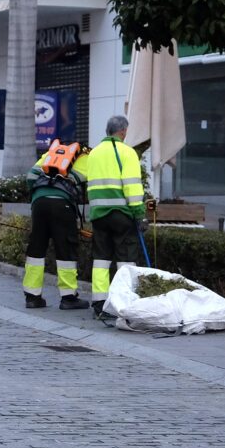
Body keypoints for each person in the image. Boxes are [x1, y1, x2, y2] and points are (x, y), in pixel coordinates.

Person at [85, 115, 147, 316]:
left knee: (101, 259)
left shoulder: (93, 154)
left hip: (99, 215)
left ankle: (99, 302)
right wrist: (139, 213)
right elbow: (132, 187)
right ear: (122, 132)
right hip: (121, 214)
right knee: (126, 259)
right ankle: (124, 301)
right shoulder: (127, 152)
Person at [22, 140, 90, 310]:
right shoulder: (86, 158)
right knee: (65, 248)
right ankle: (68, 298)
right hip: (62, 205)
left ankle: (32, 297)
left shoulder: (49, 155)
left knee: (36, 248)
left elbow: (30, 177)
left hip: (39, 203)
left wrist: (39, 195)